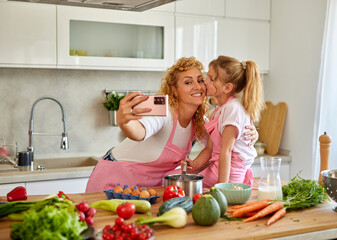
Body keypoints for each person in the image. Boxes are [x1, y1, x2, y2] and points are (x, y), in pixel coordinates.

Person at [86, 56, 258, 192]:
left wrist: (250, 134)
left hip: (147, 190)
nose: (198, 86)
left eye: (200, 80)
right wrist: (124, 122)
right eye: (188, 82)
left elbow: (217, 146)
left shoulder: (200, 121)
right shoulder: (164, 110)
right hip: (113, 181)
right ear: (174, 89)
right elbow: (139, 132)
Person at [187, 56, 265, 188]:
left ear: (227, 88)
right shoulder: (219, 110)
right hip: (219, 167)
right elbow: (209, 149)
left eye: (211, 79)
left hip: (230, 174)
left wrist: (221, 188)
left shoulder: (232, 108)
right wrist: (194, 165)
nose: (205, 82)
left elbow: (226, 151)